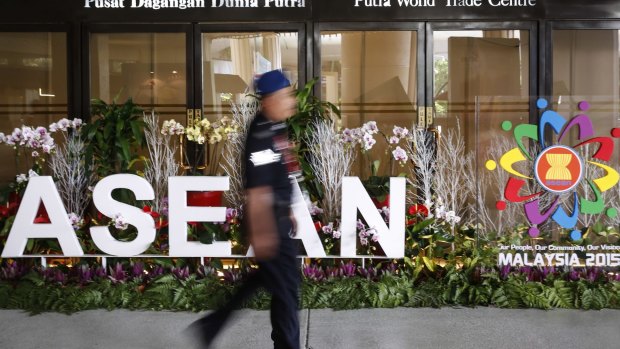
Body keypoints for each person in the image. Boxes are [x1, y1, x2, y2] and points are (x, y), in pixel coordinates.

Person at [187, 69, 300, 349]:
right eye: (285, 96)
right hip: (268, 226)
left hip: (277, 221)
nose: (291, 102)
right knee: (286, 292)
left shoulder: (275, 127)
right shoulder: (261, 134)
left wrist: (288, 210)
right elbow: (258, 191)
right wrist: (264, 234)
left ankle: (210, 326)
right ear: (269, 100)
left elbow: (277, 177)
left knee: (269, 283)